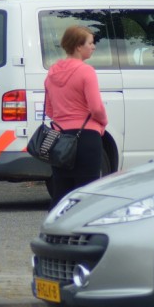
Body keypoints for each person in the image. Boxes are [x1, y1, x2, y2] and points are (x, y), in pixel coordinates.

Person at [44, 25, 109, 205]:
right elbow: (96, 108)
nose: (93, 47)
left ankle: (59, 223)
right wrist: (103, 122)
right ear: (79, 46)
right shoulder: (86, 71)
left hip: (60, 139)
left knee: (61, 193)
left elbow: (49, 110)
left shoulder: (52, 72)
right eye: (90, 43)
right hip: (86, 137)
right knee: (86, 194)